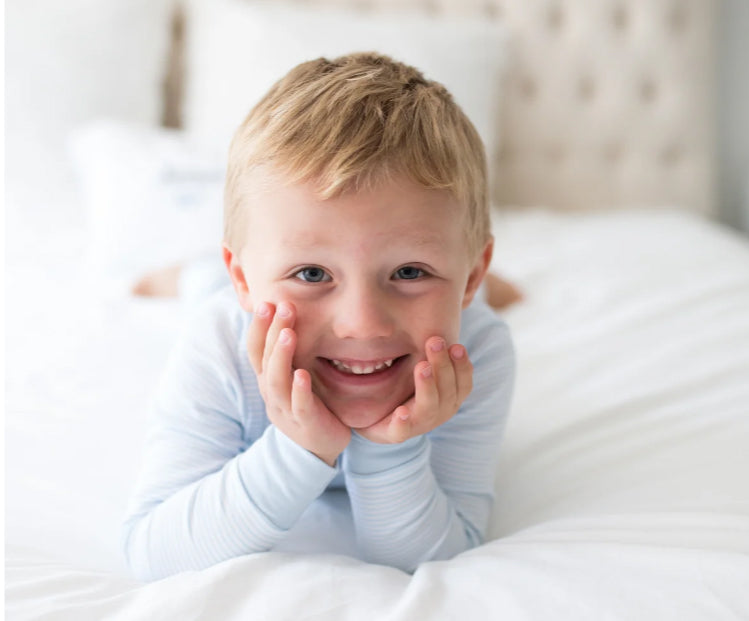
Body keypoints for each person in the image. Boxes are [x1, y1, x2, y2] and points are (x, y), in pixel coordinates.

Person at [122, 52, 516, 581]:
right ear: (245, 278)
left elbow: (444, 553)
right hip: (223, 295)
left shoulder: (476, 351)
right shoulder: (219, 341)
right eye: (311, 274)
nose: (362, 324)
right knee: (204, 291)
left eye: (409, 272)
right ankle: (193, 273)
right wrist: (297, 446)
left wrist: (388, 448)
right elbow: (154, 555)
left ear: (470, 277)